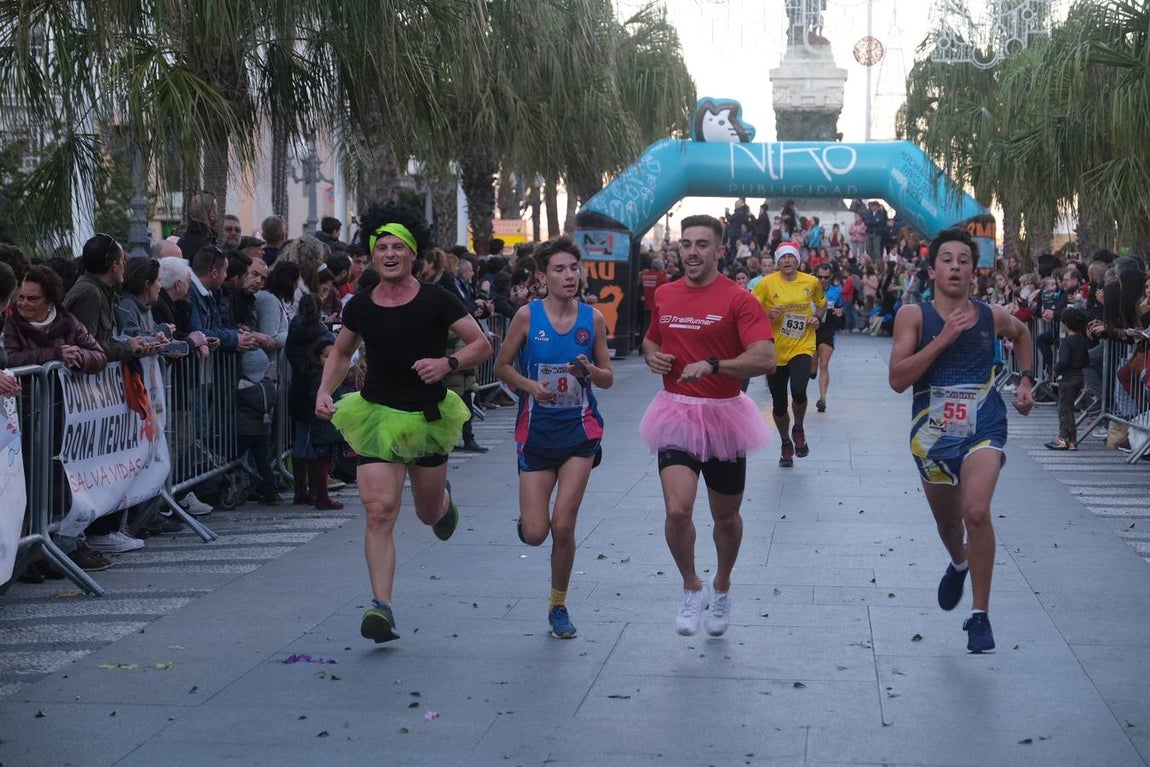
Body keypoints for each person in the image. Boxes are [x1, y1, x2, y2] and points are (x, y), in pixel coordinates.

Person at [315, 202, 492, 644]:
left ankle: (442, 504)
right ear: (372, 254)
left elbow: (481, 344)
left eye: (399, 247)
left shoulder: (437, 299)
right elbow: (341, 352)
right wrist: (325, 390)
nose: (390, 254)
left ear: (414, 254)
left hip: (428, 416)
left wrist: (446, 361)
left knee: (426, 512)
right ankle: (381, 606)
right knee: (378, 511)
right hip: (376, 414)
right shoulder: (359, 306)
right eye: (382, 247)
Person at [888, 228, 1035, 654]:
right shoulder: (914, 317)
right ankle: (959, 561)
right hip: (932, 435)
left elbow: (1023, 335)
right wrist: (945, 337)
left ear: (975, 270)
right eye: (946, 260)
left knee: (976, 513)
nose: (955, 266)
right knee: (950, 525)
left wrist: (1026, 380)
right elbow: (898, 379)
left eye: (963, 260)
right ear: (932, 270)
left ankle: (979, 616)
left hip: (984, 425)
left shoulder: (992, 315)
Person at [639, 214, 775, 637]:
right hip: (676, 411)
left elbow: (765, 357)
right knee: (678, 510)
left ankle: (721, 585)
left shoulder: (740, 299)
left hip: (724, 415)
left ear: (719, 251)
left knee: (726, 516)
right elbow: (652, 337)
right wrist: (650, 354)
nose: (692, 251)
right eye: (686, 244)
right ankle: (691, 585)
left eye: (702, 244)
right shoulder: (665, 294)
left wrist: (717, 364)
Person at [494, 236, 613, 639]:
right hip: (536, 433)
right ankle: (527, 523)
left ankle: (558, 605)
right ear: (542, 277)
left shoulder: (592, 318)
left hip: (580, 433)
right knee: (536, 532)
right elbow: (502, 366)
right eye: (559, 270)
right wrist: (530, 386)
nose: (568, 276)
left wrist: (589, 372)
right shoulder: (527, 317)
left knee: (563, 526)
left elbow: (607, 377)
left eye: (573, 268)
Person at [752, 242, 826, 467]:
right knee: (779, 405)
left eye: (790, 257)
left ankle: (799, 428)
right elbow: (749, 311)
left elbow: (821, 305)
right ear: (777, 262)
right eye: (782, 258)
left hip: (802, 345)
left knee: (799, 390)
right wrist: (766, 313)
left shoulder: (811, 282)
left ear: (797, 260)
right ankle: (785, 442)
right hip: (775, 350)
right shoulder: (766, 284)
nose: (786, 261)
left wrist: (817, 318)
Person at [1045, 307, 1090, 450]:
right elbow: (1087, 360)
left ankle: (1063, 438)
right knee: (1070, 409)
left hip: (1067, 378)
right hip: (1079, 377)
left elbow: (1064, 361)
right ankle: (1072, 440)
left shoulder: (1067, 342)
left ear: (1067, 324)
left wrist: (1055, 369)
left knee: (1065, 410)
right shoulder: (1082, 340)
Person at [813, 266, 843, 412]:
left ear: (830, 277)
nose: (823, 280)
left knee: (823, 364)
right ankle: (811, 372)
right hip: (811, 331)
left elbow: (841, 308)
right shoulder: (809, 289)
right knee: (812, 369)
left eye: (826, 277)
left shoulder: (836, 292)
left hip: (827, 331)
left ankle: (822, 398)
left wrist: (839, 311)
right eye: (820, 277)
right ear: (816, 276)